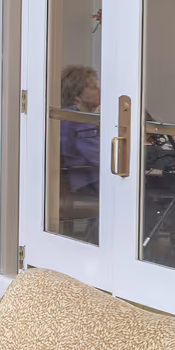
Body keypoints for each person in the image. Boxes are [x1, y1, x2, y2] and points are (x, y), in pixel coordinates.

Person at [58, 63, 101, 229]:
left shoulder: (70, 117)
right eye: (93, 87)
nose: (99, 90)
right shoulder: (78, 121)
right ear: (77, 94)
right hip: (86, 181)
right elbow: (96, 156)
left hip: (85, 179)